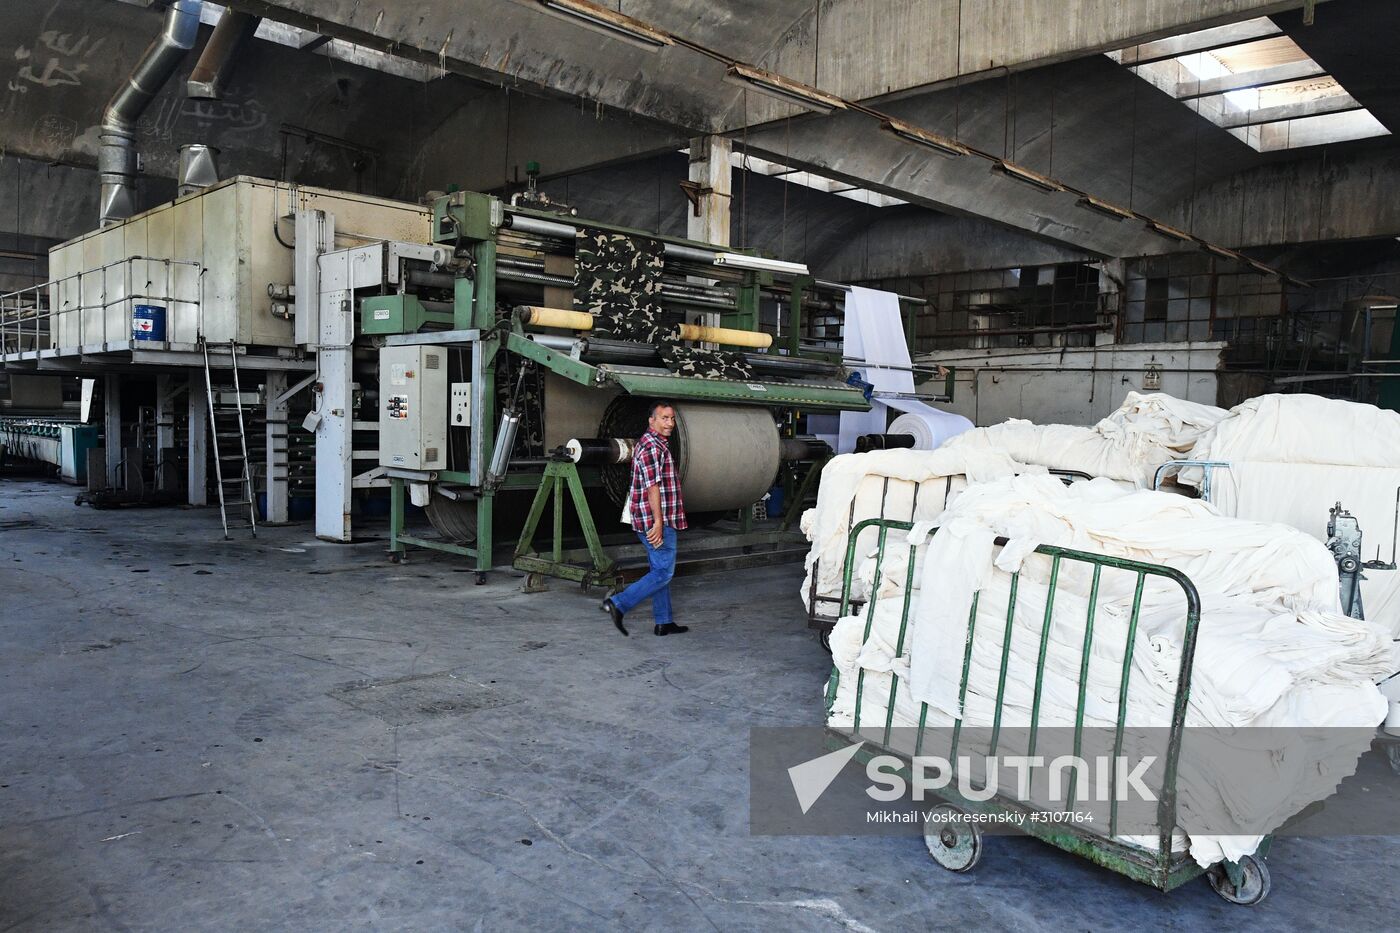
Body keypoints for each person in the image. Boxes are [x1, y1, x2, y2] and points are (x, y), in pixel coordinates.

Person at [601, 400, 689, 636]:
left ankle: (663, 621)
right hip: (656, 520)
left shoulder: (656, 444)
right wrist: (658, 523)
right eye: (664, 418)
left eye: (672, 418)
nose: (670, 423)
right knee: (663, 573)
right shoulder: (651, 447)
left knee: (658, 569)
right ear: (652, 420)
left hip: (654, 518)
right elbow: (653, 488)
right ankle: (618, 604)